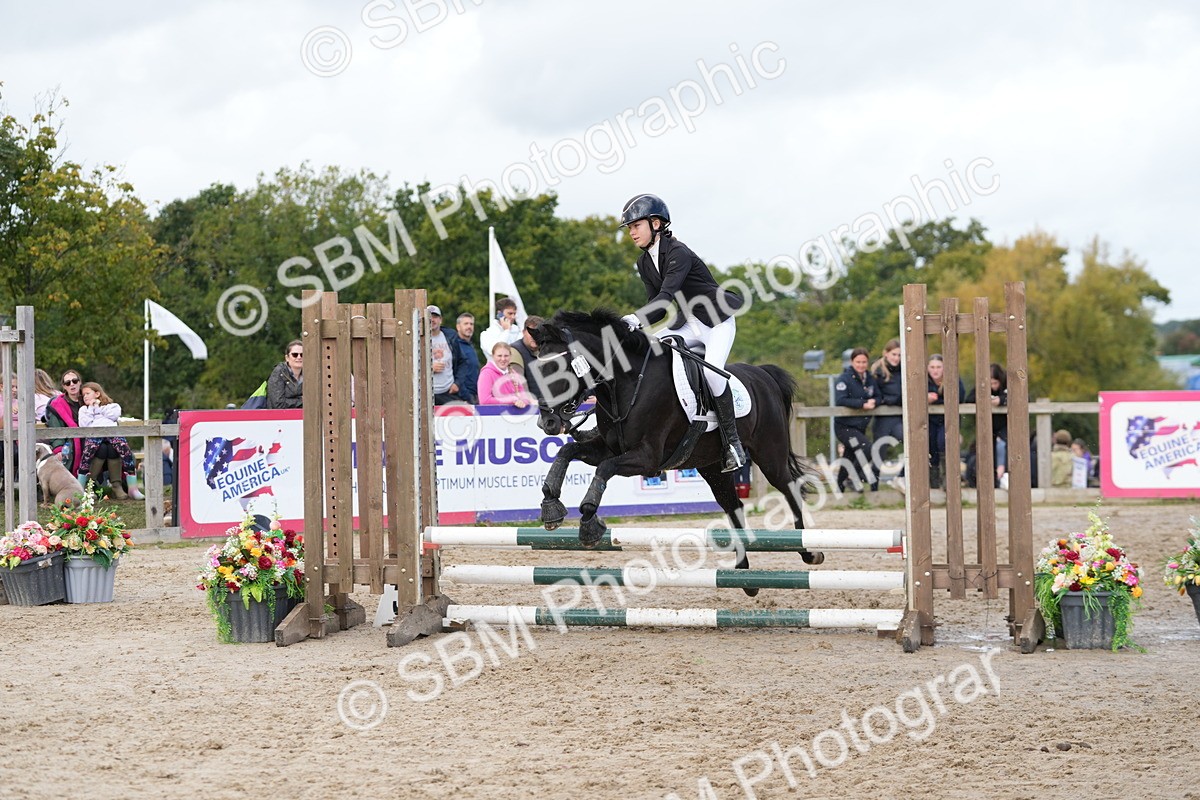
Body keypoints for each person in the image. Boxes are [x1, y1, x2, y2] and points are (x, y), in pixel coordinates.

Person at [618, 193, 746, 472]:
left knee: (712, 373)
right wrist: (637, 324)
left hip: (716, 323)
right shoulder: (644, 262)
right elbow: (659, 308)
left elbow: (665, 298)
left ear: (655, 223)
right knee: (650, 352)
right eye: (629, 228)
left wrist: (633, 319)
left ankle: (732, 444)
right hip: (687, 323)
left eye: (635, 226)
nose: (631, 233)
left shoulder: (678, 252)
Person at [78, 381, 139, 500]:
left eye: (87, 393)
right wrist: (91, 409)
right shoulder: (84, 410)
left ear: (97, 393)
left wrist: (99, 407)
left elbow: (114, 416)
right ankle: (85, 487)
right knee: (87, 456)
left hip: (113, 435)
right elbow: (84, 424)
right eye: (83, 395)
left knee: (125, 452)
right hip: (94, 437)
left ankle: (128, 487)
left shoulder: (112, 406)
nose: (85, 396)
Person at [834, 347, 879, 492]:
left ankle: (839, 488)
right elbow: (840, 400)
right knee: (868, 449)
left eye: (864, 362)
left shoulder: (870, 378)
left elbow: (878, 395)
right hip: (844, 427)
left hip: (859, 427)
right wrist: (862, 404)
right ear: (852, 362)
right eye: (858, 362)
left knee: (849, 455)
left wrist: (874, 402)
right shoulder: (844, 379)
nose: (861, 365)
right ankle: (852, 478)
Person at [927, 354, 964, 489]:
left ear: (944, 368)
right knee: (931, 447)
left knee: (944, 443)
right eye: (932, 367)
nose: (935, 370)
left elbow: (960, 396)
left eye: (938, 367)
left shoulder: (953, 379)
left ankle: (947, 479)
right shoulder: (923, 380)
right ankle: (934, 482)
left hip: (948, 419)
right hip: (930, 420)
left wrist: (935, 400)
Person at [46, 369, 85, 479]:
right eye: (68, 383)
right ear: (64, 386)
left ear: (79, 382)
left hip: (90, 439)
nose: (72, 384)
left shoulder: (88, 399)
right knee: (65, 453)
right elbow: (55, 429)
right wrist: (58, 448)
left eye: (74, 381)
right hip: (69, 442)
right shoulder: (57, 405)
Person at [870, 339, 903, 460]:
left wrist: (893, 399)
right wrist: (890, 399)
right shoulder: (877, 371)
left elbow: (902, 395)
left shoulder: (904, 370)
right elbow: (876, 395)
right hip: (882, 418)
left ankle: (903, 474)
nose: (896, 358)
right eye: (894, 354)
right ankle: (867, 477)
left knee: (911, 441)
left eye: (899, 355)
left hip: (899, 416)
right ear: (886, 353)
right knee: (879, 454)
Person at [478, 342, 535, 408]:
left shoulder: (513, 373)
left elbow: (524, 397)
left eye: (506, 356)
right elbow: (484, 401)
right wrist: (511, 400)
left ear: (510, 356)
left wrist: (522, 402)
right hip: (494, 416)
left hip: (513, 416)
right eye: (499, 356)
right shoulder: (486, 373)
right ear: (493, 356)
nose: (503, 359)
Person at [509, 315, 546, 404]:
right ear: (523, 332)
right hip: (527, 407)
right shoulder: (515, 351)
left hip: (547, 405)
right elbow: (519, 383)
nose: (534, 337)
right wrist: (531, 401)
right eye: (531, 333)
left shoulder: (547, 350)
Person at [427, 306, 459, 405]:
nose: (432, 320)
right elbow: (410, 365)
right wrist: (429, 368)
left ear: (440, 320)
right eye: (429, 317)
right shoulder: (417, 339)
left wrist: (457, 383)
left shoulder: (451, 336)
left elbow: (462, 361)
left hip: (448, 392)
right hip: (425, 393)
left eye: (435, 317)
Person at [448, 312, 481, 404]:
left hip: (473, 395)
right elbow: (454, 371)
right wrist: (465, 395)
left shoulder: (470, 346)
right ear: (458, 327)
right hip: (461, 397)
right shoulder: (454, 345)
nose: (469, 326)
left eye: (471, 324)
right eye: (466, 324)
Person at [267, 340, 304, 409]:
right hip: (279, 418)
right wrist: (302, 400)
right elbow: (278, 404)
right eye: (295, 355)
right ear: (287, 358)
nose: (299, 357)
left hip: (303, 418)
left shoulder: (310, 374)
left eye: (302, 354)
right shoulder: (278, 372)